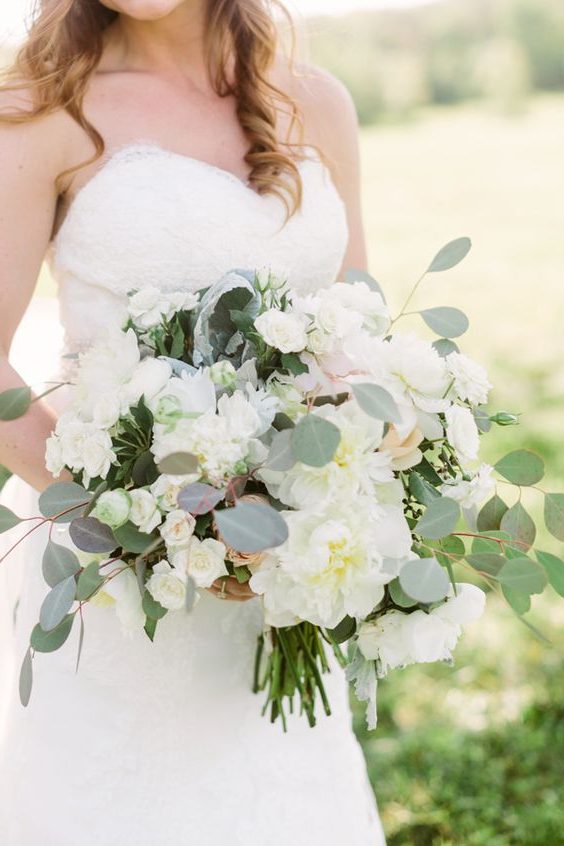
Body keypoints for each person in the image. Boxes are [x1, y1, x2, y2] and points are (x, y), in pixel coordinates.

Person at [0, 1, 386, 843]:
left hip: (286, 567)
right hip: (119, 576)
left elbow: (357, 320)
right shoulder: (43, 111)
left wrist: (363, 472)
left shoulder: (316, 101)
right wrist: (139, 524)